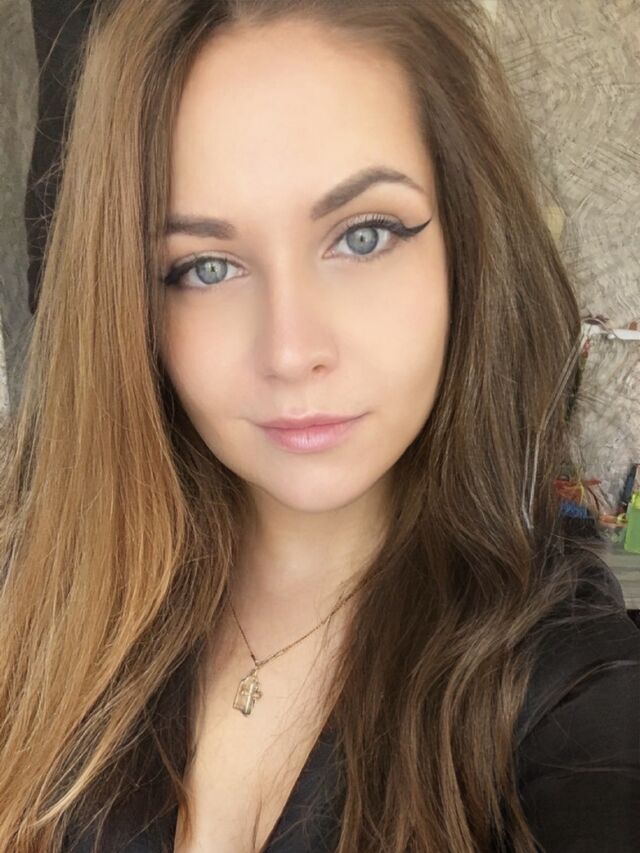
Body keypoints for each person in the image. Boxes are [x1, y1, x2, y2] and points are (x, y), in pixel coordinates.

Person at [3, 1, 639, 851]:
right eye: (207, 266)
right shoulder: (41, 596)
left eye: (364, 236)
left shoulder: (568, 686)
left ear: (466, 244)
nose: (291, 350)